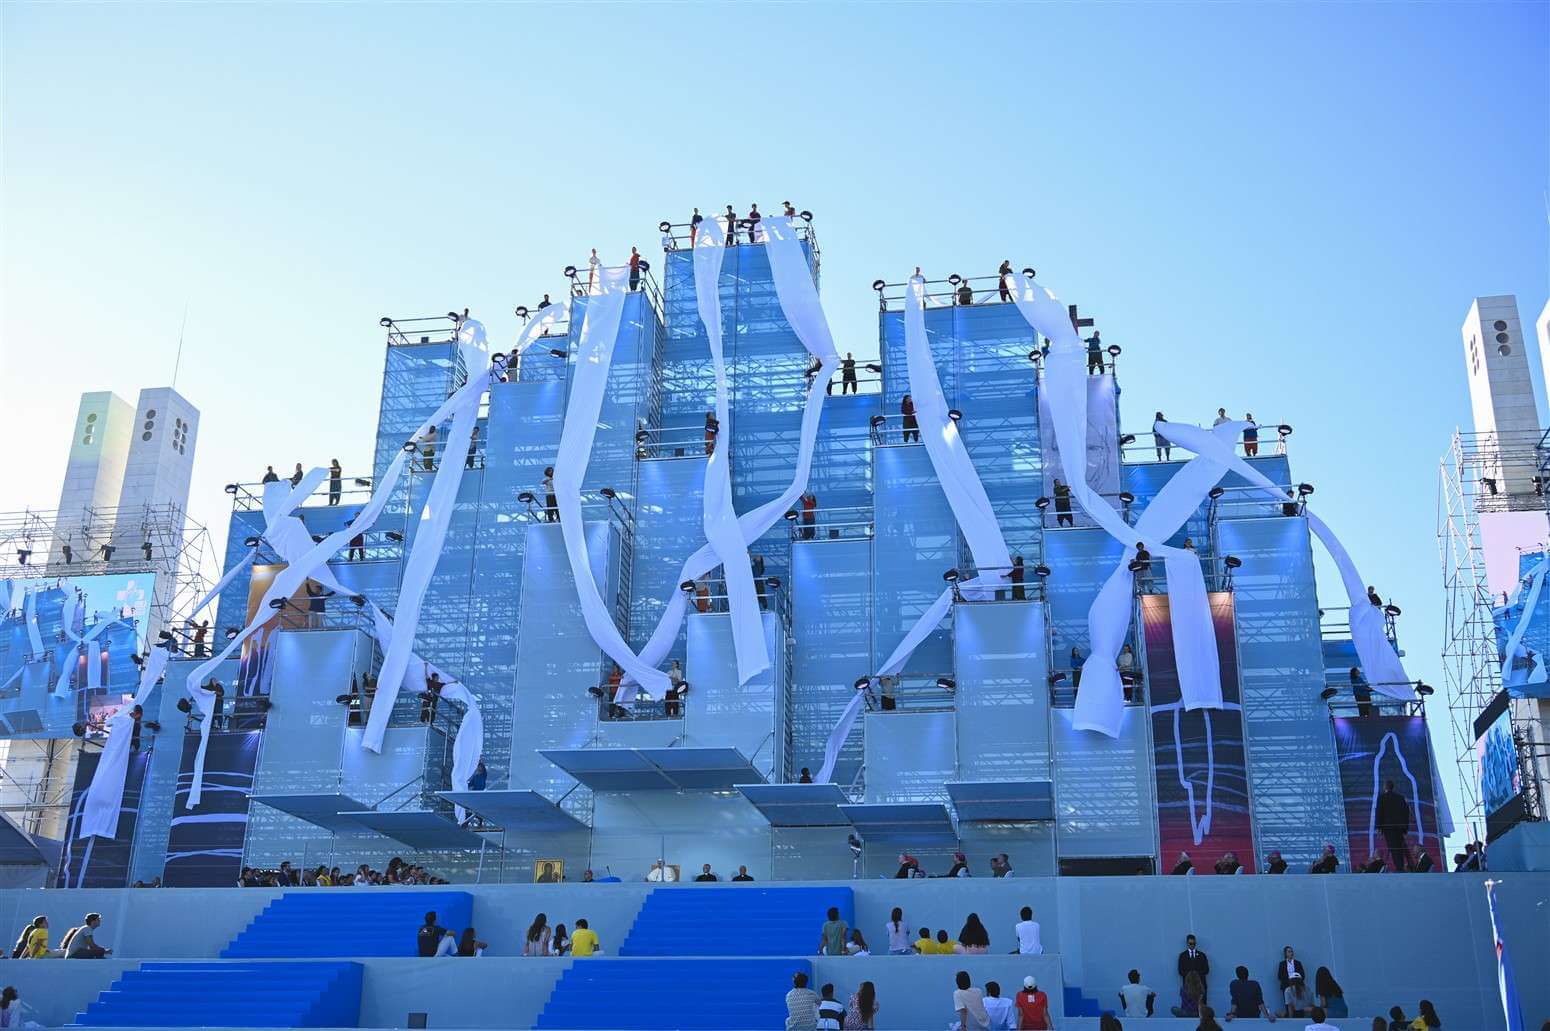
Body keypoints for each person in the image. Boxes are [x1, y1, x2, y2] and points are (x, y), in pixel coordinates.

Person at [1375, 779, 1413, 872]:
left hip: (1388, 828)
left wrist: (1378, 827)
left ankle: (1400, 868)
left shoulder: (1382, 797)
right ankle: (1402, 866)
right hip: (1400, 828)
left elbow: (1379, 812)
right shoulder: (1400, 798)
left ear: (1385, 787)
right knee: (1399, 847)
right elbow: (1406, 812)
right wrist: (1405, 828)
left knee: (1394, 848)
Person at [1277, 945, 1308, 1017]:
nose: (1291, 953)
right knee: (1288, 1003)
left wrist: (1297, 981)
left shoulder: (1298, 963)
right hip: (1286, 986)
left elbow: (1302, 975)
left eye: (1291, 951)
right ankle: (1290, 1017)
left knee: (1299, 1003)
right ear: (1285, 954)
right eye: (1289, 951)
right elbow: (1279, 976)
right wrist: (1288, 981)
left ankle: (1300, 1016)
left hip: (1298, 986)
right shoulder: (1282, 964)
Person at [1179, 934, 1210, 1003]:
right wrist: (1191, 975)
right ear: (1187, 943)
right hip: (1188, 987)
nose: (1192, 945)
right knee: (1189, 1006)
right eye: (1191, 943)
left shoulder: (1202, 955)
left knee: (1202, 1005)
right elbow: (1181, 971)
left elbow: (1206, 970)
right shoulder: (1182, 956)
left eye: (1194, 943)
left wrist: (1196, 975)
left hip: (1200, 986)